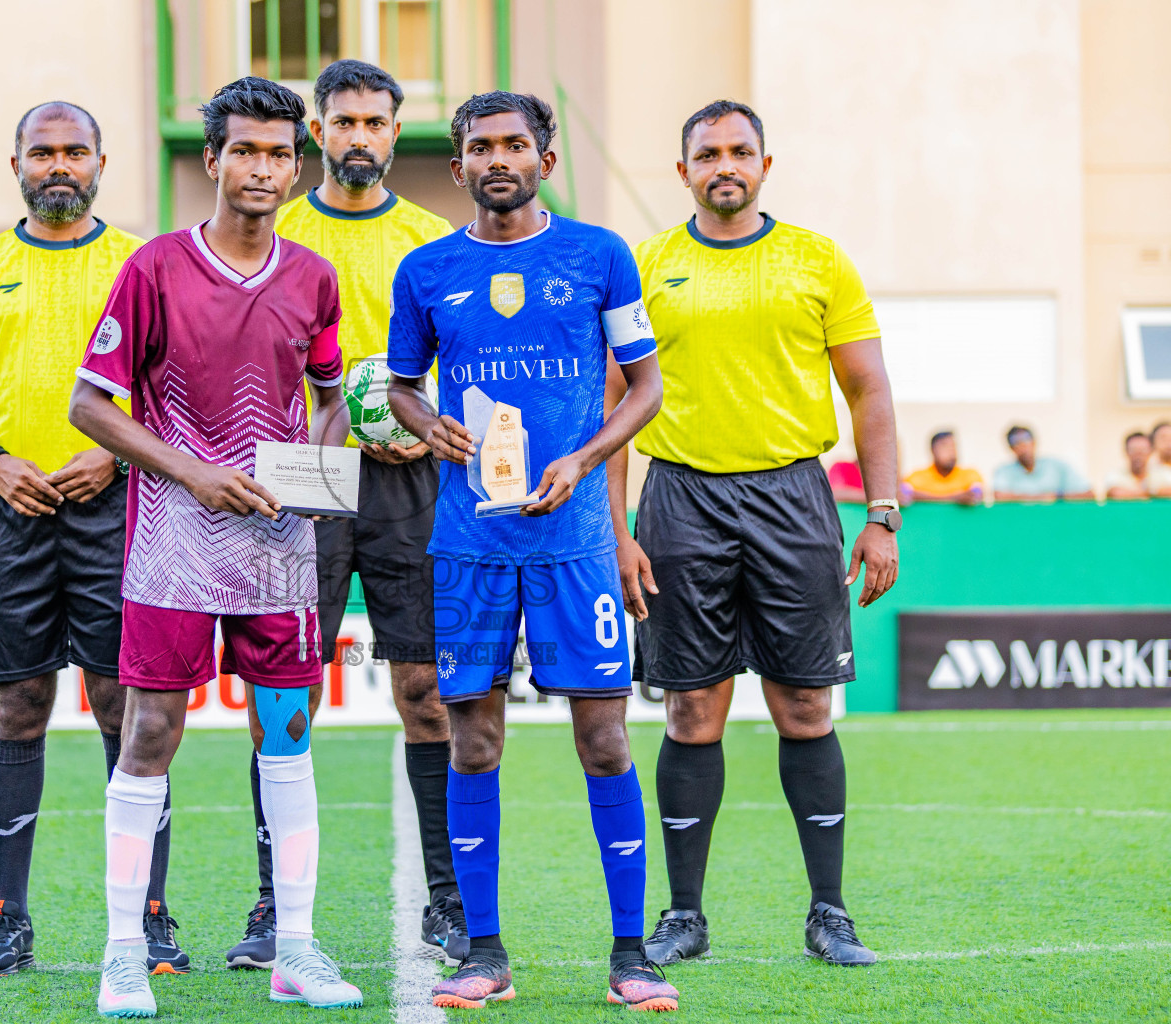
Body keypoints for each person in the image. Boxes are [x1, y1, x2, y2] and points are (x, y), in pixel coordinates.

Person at [69, 76, 364, 1016]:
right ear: (213, 159)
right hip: (173, 545)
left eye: (280, 153)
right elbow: (88, 407)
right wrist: (190, 472)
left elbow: (326, 396)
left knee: (287, 739)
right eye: (246, 149)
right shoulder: (154, 267)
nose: (263, 168)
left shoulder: (313, 277)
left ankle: (296, 949)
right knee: (151, 732)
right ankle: (124, 953)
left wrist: (315, 477)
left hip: (277, 554)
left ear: (298, 162)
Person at [388, 91, 676, 1012]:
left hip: (575, 542)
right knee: (472, 740)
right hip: (470, 543)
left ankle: (632, 954)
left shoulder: (599, 255)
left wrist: (585, 461)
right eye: (480, 146)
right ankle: (484, 953)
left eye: (515, 144)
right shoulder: (425, 270)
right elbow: (398, 387)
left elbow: (646, 386)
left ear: (545, 160)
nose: (497, 158)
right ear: (458, 165)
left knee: (602, 736)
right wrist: (429, 423)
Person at [610, 99, 897, 970]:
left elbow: (870, 393)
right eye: (708, 153)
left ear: (766, 165)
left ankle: (830, 914)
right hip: (680, 500)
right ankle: (684, 916)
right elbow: (616, 404)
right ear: (683, 170)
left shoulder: (818, 259)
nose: (724, 164)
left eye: (740, 151)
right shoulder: (648, 266)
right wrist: (617, 529)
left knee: (805, 706)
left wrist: (882, 514)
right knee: (692, 708)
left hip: (795, 498)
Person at [210, 58, 466, 970]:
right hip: (297, 474)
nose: (358, 137)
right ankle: (272, 905)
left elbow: (461, 362)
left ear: (398, 134)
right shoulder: (270, 234)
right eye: (343, 121)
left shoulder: (437, 239)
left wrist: (426, 424)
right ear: (317, 131)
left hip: (409, 481)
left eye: (376, 123)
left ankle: (449, 901)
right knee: (284, 694)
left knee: (425, 690)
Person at [0, 101, 168, 977]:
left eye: (75, 151)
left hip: (120, 505)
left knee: (123, 705)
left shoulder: (143, 263)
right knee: (17, 705)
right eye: (42, 151)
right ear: (15, 162)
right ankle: (7, 917)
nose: (59, 164)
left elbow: (175, 387)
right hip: (8, 509)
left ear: (103, 161)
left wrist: (115, 455)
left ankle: (149, 917)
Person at [990, 425, 1093, 502]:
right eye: (1016, 442)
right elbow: (999, 496)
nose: (1022, 445)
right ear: (1011, 448)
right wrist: (1041, 497)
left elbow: (1089, 494)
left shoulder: (1057, 466)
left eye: (1026, 439)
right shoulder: (1004, 471)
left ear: (1034, 442)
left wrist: (1058, 496)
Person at [902, 431, 983, 505]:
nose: (951, 451)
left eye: (953, 446)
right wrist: (956, 498)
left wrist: (921, 496)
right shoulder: (917, 476)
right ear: (933, 450)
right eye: (945, 446)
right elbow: (904, 494)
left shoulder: (970, 474)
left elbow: (977, 495)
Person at [1104, 431, 1171, 499]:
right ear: (1126, 452)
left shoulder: (1163, 473)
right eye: (1134, 450)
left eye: (1143, 450)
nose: (1138, 455)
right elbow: (1114, 493)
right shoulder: (1116, 474)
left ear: (1151, 451)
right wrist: (1150, 493)